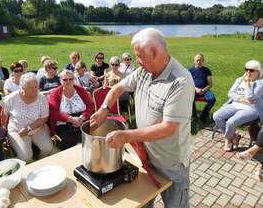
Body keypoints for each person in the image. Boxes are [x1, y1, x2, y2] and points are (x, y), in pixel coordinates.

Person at [90, 28, 195, 208]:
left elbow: (168, 127)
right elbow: (118, 88)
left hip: (171, 163)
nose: (137, 60)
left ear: (155, 52)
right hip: (146, 157)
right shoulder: (144, 71)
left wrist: (127, 136)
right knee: (144, 203)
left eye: (139, 56)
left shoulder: (180, 82)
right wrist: (104, 108)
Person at [213, 60, 263, 152]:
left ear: (258, 72)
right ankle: (234, 136)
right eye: (246, 69)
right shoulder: (239, 80)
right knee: (216, 116)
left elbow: (250, 96)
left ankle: (228, 140)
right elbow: (230, 93)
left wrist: (248, 82)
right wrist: (241, 98)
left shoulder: (260, 83)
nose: (248, 72)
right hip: (236, 104)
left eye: (251, 70)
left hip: (251, 109)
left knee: (231, 122)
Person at [3, 72, 53, 162]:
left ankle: (40, 161)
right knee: (25, 157)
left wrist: (29, 128)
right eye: (31, 88)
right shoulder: (11, 98)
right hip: (17, 130)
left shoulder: (41, 98)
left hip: (38, 127)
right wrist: (4, 128)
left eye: (36, 87)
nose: (35, 90)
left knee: (48, 148)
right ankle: (17, 167)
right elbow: (4, 113)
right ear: (22, 88)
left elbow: (44, 118)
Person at [48, 70, 93, 150]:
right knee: (70, 141)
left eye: (70, 79)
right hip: (63, 122)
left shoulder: (80, 90)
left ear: (74, 79)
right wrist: (71, 119)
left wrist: (81, 118)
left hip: (82, 119)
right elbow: (54, 113)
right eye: (65, 79)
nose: (68, 81)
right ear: (60, 81)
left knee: (89, 138)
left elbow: (90, 106)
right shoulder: (55, 93)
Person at [189, 53, 216, 122]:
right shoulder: (190, 70)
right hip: (194, 89)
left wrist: (203, 90)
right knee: (189, 98)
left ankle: (203, 116)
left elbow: (210, 84)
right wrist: (196, 89)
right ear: (194, 61)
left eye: (200, 60)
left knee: (212, 99)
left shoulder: (206, 70)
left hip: (205, 90)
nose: (199, 62)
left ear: (203, 61)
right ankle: (194, 116)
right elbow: (188, 83)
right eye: (197, 60)